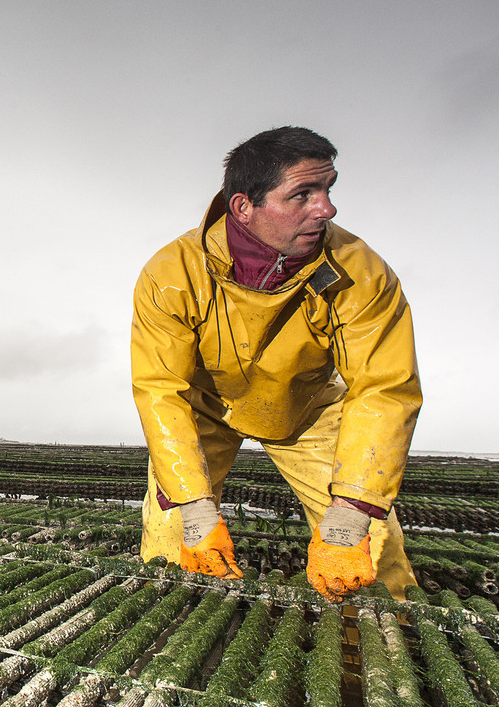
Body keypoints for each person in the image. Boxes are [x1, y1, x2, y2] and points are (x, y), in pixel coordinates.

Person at [130, 126, 420, 600]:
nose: (326, 208)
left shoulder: (359, 271)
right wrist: (197, 513)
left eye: (327, 189)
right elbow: (160, 389)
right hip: (205, 409)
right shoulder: (172, 274)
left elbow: (384, 387)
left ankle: (384, 654)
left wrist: (348, 520)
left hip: (308, 411)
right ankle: (169, 640)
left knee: (375, 543)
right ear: (244, 207)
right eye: (302, 194)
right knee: (174, 537)